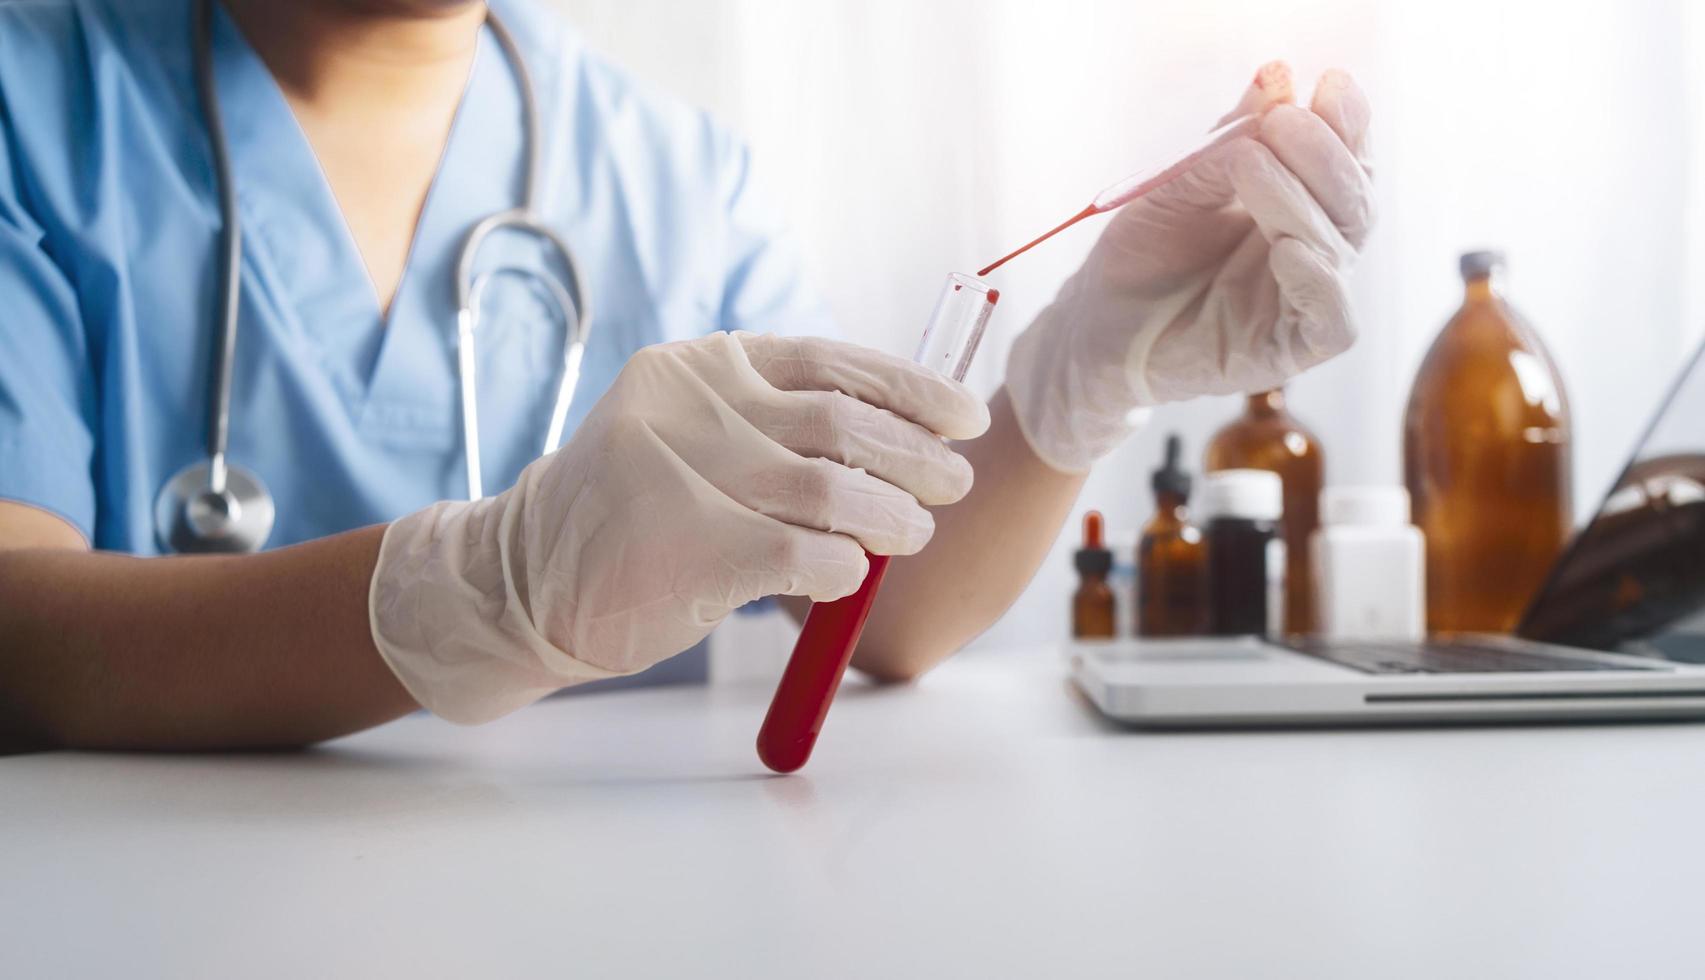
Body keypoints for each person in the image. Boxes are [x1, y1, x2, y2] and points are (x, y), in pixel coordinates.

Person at [0, 0, 1374, 750]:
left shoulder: (674, 173)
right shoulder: (34, 92)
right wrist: (489, 592)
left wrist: (1082, 370)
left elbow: (873, 612)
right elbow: (19, 630)